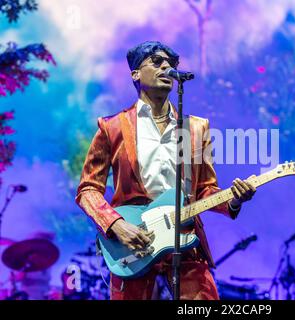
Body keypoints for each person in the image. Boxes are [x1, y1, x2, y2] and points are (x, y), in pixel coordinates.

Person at [75, 41, 256, 300]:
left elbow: (205, 189)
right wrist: (116, 225)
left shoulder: (195, 129)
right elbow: (88, 190)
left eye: (170, 64)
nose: (166, 67)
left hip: (185, 242)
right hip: (133, 245)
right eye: (157, 62)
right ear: (136, 74)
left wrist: (235, 199)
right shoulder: (111, 128)